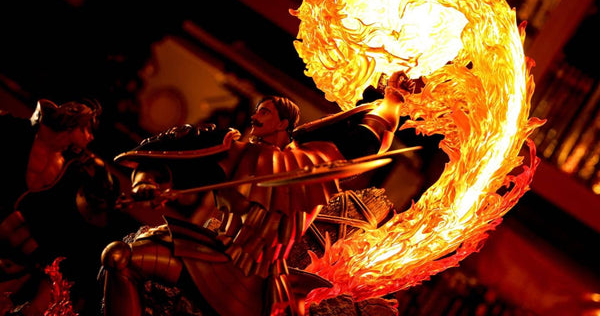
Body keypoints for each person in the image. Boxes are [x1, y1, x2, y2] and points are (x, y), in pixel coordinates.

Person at [101, 71, 414, 316]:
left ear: (283, 123)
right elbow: (155, 159)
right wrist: (145, 185)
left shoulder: (314, 161)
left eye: (263, 112)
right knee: (119, 257)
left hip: (263, 286)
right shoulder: (233, 151)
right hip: (211, 259)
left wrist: (393, 98)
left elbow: (373, 134)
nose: (254, 117)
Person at [0, 98, 124, 316]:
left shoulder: (73, 166)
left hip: (13, 244)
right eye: (88, 130)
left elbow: (106, 192)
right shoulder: (17, 129)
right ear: (74, 124)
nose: (91, 137)